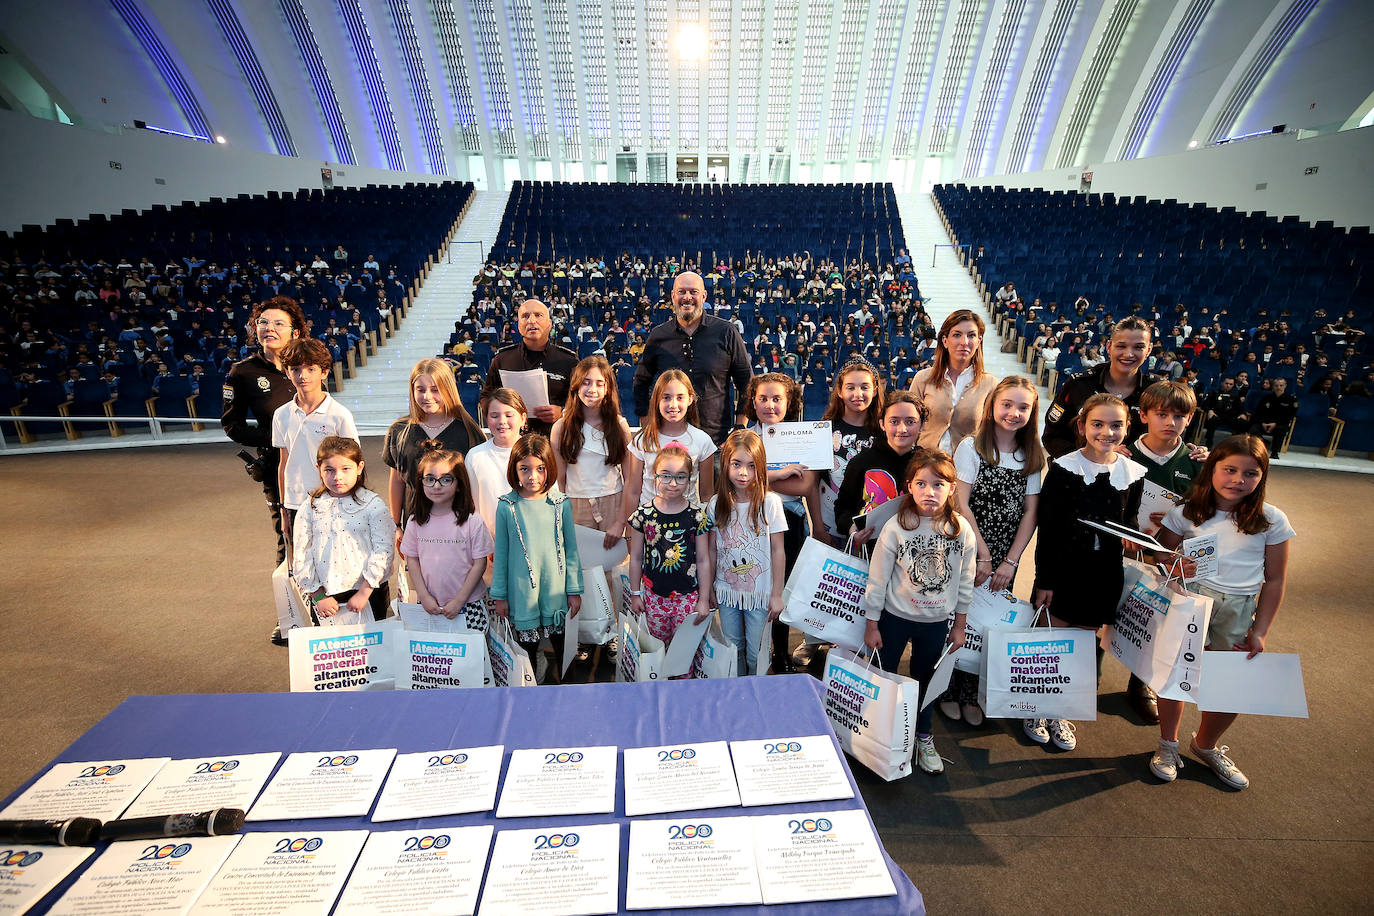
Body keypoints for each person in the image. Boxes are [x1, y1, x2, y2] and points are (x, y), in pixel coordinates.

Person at [1150, 435, 1295, 789]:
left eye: (1250, 474)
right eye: (1229, 470)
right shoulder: (1187, 510)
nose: (1238, 480)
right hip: (1192, 600)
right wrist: (1173, 563)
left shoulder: (1270, 519)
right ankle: (1168, 744)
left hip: (1239, 607)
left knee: (1231, 686)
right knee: (1176, 676)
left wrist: (1260, 630)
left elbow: (1275, 580)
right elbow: (1158, 555)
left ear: (1262, 478)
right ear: (1211, 467)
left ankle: (1205, 744)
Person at [1030, 394, 1147, 752]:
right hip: (1064, 570)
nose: (1106, 432)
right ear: (1082, 426)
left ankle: (1060, 709)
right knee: (1050, 642)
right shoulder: (1064, 468)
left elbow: (1128, 521)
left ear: (1127, 428)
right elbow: (1047, 529)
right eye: (1098, 424)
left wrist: (1133, 539)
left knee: (1081, 646)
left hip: (1103, 573)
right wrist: (1044, 580)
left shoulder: (1133, 474)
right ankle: (1036, 706)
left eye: (1116, 425)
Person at [861, 451, 975, 774]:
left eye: (938, 484)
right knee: (885, 679)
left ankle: (923, 737)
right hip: (894, 619)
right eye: (922, 484)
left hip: (936, 623)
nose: (930, 491)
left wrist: (960, 625)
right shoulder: (896, 526)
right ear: (909, 486)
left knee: (927, 682)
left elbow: (965, 581)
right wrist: (872, 624)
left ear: (952, 488)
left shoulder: (960, 530)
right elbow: (878, 578)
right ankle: (879, 738)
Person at [939, 377, 1045, 725]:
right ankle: (947, 688)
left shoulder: (1031, 455)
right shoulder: (972, 447)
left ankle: (972, 693)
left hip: (1005, 558)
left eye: (1023, 407)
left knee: (990, 625)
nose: (1014, 413)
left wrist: (1010, 562)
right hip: (969, 547)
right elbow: (961, 505)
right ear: (993, 406)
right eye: (1007, 404)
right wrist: (983, 555)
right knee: (959, 619)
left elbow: (1030, 512)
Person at [490, 434, 582, 684]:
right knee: (527, 654)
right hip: (522, 596)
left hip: (557, 594)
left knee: (564, 652)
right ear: (514, 470)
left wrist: (574, 589)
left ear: (549, 467)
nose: (533, 476)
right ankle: (532, 694)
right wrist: (500, 596)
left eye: (540, 468)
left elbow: (571, 550)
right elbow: (501, 555)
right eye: (525, 469)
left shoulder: (560, 503)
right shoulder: (506, 506)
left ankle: (569, 691)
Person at [221, 296, 303, 575]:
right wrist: (275, 439)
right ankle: (290, 612)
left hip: (319, 464)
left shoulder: (307, 364)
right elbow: (232, 425)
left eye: (279, 323)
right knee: (287, 532)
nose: (269, 327)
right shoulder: (242, 372)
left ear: (295, 332)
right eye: (263, 322)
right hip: (277, 465)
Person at [633, 271, 752, 443]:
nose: (687, 297)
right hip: (669, 442)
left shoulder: (726, 332)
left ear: (704, 296)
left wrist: (740, 427)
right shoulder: (658, 335)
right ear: (673, 296)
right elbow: (641, 382)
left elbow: (746, 382)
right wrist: (646, 428)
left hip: (716, 441)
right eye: (681, 292)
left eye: (693, 292)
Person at [627, 445, 715, 674]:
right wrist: (635, 593)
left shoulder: (697, 516)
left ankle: (683, 695)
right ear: (654, 476)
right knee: (658, 651)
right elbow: (635, 557)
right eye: (665, 475)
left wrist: (703, 599)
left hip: (688, 598)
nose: (673, 483)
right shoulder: (643, 515)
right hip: (654, 599)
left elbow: (704, 560)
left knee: (684, 652)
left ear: (690, 479)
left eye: (680, 477)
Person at [272, 338, 359, 562]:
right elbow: (284, 464)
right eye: (296, 369)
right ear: (287, 372)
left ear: (324, 372)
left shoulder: (339, 415)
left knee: (335, 562)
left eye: (311, 369)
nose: (303, 376)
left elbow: (352, 465)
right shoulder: (281, 415)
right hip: (295, 503)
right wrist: (283, 509)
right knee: (302, 565)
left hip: (332, 501)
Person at [383, 359, 486, 547]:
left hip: (459, 528)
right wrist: (396, 524)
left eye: (435, 389)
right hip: (416, 525)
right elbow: (397, 480)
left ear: (448, 389)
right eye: (420, 389)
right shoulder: (399, 431)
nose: (427, 396)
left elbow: (477, 487)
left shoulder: (469, 431)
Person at [293, 437, 394, 623]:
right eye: (329, 470)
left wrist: (364, 592)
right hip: (325, 595)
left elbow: (384, 550)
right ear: (319, 470)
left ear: (359, 467)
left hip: (368, 592)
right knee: (333, 650)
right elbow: (301, 552)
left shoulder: (373, 505)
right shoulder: (310, 507)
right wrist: (317, 595)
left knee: (374, 648)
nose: (337, 477)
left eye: (345, 469)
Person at [710, 430, 786, 675]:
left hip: (760, 593)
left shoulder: (770, 502)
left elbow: (778, 550)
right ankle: (739, 697)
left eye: (751, 466)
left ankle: (762, 700)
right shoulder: (715, 504)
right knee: (733, 649)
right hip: (727, 591)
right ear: (726, 464)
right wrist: (709, 588)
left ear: (760, 468)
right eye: (737, 464)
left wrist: (777, 594)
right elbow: (712, 550)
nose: (743, 472)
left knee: (758, 653)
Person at [401, 446, 493, 632]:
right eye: (430, 479)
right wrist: (424, 596)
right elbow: (412, 559)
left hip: (469, 605)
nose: (436, 486)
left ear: (459, 483)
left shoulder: (472, 521)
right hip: (428, 606)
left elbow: (479, 564)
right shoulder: (415, 522)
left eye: (446, 479)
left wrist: (459, 600)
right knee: (434, 658)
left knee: (472, 658)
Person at [1042, 317, 1153, 458]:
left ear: (1149, 350)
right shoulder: (1078, 384)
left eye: (1138, 347)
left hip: (1133, 475)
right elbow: (1052, 436)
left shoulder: (1155, 392)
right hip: (1079, 474)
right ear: (1108, 347)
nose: (1128, 354)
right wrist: (1093, 458)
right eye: (1121, 346)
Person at [551, 356, 633, 547]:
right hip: (575, 504)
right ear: (576, 386)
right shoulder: (561, 428)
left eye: (599, 383)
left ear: (608, 389)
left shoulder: (620, 426)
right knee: (581, 567)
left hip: (613, 501)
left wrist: (621, 522)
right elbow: (559, 480)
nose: (592, 390)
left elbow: (629, 479)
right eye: (586, 383)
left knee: (610, 569)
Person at [833, 391, 929, 545]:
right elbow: (843, 508)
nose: (902, 429)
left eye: (910, 422)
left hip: (916, 551)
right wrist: (852, 530)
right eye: (894, 421)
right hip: (871, 551)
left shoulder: (928, 465)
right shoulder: (861, 462)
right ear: (882, 424)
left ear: (922, 425)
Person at [480, 299, 579, 437]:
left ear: (550, 324)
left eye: (538, 315)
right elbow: (486, 397)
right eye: (525, 316)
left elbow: (581, 401)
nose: (531, 321)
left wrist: (562, 412)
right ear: (519, 326)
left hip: (557, 439)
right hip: (513, 440)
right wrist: (500, 414)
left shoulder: (568, 361)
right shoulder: (502, 360)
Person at [624, 370, 717, 514]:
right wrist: (630, 531)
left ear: (690, 399)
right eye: (666, 397)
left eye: (680, 397)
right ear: (657, 400)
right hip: (648, 523)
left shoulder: (702, 441)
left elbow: (706, 495)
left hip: (687, 522)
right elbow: (633, 491)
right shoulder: (642, 440)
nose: (673, 404)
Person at [910, 310, 999, 453]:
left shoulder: (990, 384)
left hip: (967, 469)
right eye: (957, 335)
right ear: (945, 341)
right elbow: (910, 424)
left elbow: (991, 434)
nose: (964, 342)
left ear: (979, 341)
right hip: (924, 465)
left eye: (971, 335)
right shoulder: (922, 378)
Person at [819, 360, 885, 544]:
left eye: (864, 387)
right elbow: (813, 483)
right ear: (839, 391)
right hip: (831, 526)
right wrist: (817, 526)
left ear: (875, 390)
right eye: (850, 387)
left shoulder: (884, 431)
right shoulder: (825, 429)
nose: (858, 394)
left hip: (872, 528)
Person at [1128, 381, 1205, 534]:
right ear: (1143, 415)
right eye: (1162, 414)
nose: (1170, 422)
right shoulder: (1124, 457)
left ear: (1189, 419)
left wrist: (1181, 519)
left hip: (1169, 553)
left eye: (1179, 416)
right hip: (1119, 549)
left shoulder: (1198, 464)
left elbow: (1206, 514)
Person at [467, 389, 528, 537]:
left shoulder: (536, 452)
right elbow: (472, 505)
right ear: (487, 419)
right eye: (495, 416)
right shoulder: (475, 456)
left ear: (523, 418)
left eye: (509, 415)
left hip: (530, 539)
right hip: (490, 543)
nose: (502, 421)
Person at [1249, 377, 1298, 458]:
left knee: (1280, 429)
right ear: (1273, 386)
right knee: (1253, 429)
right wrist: (1263, 423)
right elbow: (1258, 412)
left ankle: (1275, 453)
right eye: (1276, 385)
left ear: (1285, 386)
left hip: (1279, 424)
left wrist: (1275, 424)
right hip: (1264, 423)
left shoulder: (1291, 399)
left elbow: (1290, 416)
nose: (1278, 387)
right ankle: (1256, 450)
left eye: (1281, 385)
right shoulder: (1266, 398)